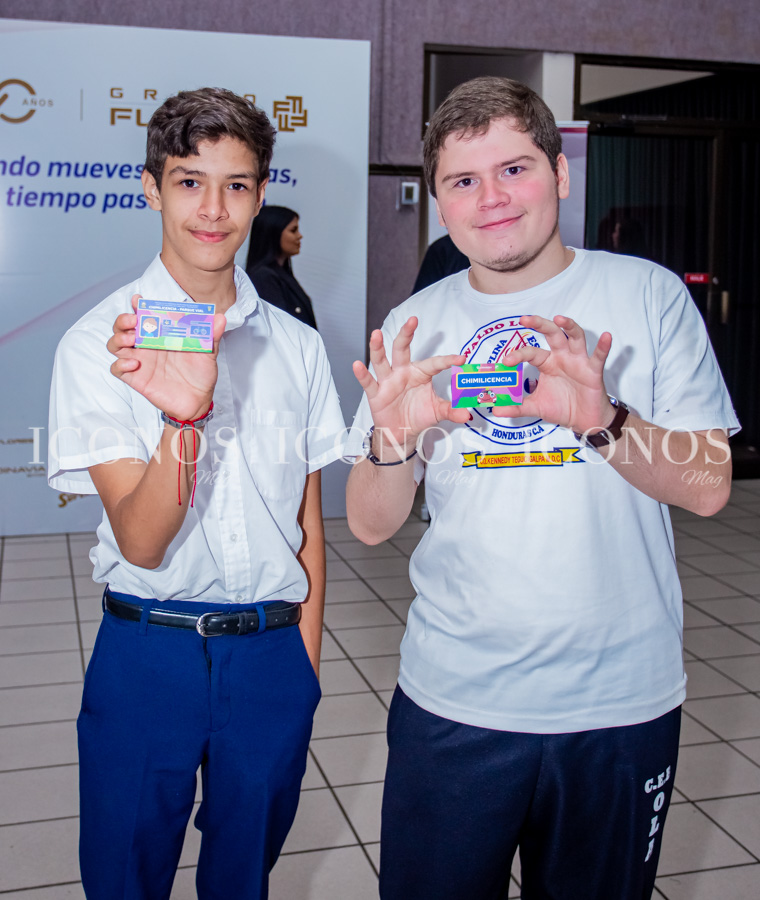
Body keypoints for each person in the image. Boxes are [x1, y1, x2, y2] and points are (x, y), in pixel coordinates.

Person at [345, 76, 738, 900]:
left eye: (515, 169)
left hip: (619, 705)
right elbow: (372, 524)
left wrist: (604, 422)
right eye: (463, 181)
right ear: (440, 203)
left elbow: (707, 488)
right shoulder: (418, 320)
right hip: (454, 701)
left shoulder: (646, 295)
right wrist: (393, 438)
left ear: (561, 175)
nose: (491, 199)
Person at [48, 88, 346, 900]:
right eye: (189, 182)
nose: (214, 210)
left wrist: (304, 666)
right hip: (150, 652)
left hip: (271, 659)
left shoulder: (297, 347)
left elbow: (307, 520)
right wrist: (186, 419)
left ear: (258, 192)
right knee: (124, 878)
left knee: (244, 878)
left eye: (237, 185)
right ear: (151, 188)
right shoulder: (97, 345)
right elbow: (143, 541)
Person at [245, 204, 318, 328]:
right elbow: (280, 329)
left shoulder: (281, 274)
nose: (300, 236)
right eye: (293, 230)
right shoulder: (263, 277)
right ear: (273, 232)